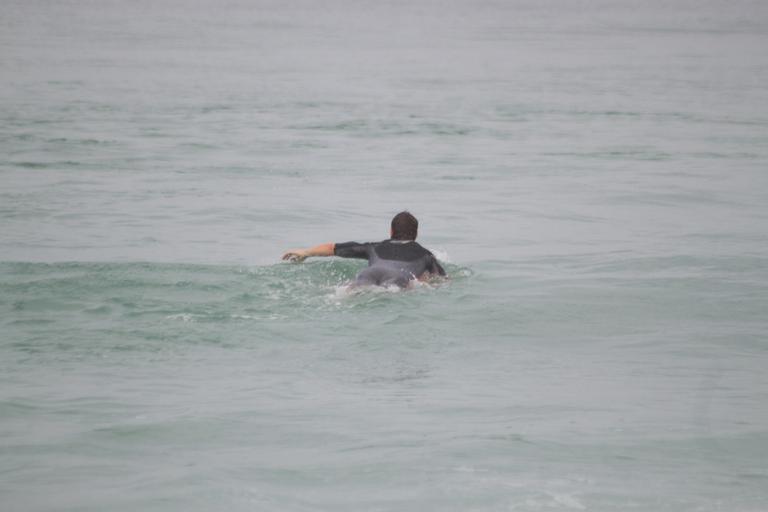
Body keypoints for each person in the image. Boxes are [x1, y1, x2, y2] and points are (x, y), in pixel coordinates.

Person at [282, 211, 446, 288]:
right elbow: (443, 281)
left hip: (368, 274)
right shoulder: (426, 255)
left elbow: (333, 248)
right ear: (416, 234)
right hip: (398, 279)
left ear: (391, 231)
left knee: (350, 293)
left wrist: (305, 252)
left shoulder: (373, 247)